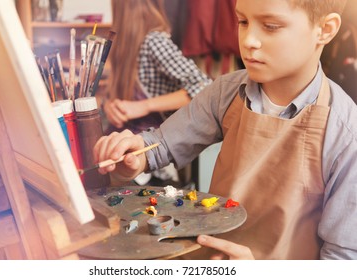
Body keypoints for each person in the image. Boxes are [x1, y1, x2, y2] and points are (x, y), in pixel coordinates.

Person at [94, 0, 357, 260]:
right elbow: (161, 144)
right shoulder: (226, 91)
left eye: (271, 26)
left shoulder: (345, 132)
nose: (249, 40)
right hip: (211, 256)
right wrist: (136, 156)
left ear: (325, 29)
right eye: (243, 21)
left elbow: (342, 258)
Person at [102, 0, 212, 186]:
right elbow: (111, 96)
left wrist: (143, 106)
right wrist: (110, 106)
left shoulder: (154, 41)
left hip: (151, 161)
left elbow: (204, 86)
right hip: (126, 152)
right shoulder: (123, 44)